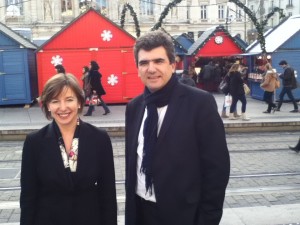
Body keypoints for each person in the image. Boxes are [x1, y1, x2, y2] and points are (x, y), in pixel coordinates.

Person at [125, 30, 230, 225]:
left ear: (172, 65)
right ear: (137, 68)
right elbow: (133, 163)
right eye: (144, 63)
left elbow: (217, 170)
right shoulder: (134, 107)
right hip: (140, 212)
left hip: (182, 215)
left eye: (158, 61)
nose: (151, 68)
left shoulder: (199, 103)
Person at [20, 73, 117, 225]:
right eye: (55, 101)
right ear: (47, 105)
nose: (63, 107)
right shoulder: (34, 142)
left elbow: (108, 194)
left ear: (79, 102)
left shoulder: (99, 138)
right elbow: (28, 196)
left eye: (69, 99)